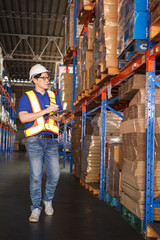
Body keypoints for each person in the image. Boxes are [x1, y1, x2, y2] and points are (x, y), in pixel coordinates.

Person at [18, 64, 64, 223]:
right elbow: (24, 118)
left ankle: (48, 199)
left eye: (47, 77)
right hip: (34, 142)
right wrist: (46, 111)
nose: (47, 80)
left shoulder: (53, 95)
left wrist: (59, 118)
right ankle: (36, 208)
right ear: (34, 80)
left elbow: (59, 116)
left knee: (55, 174)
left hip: (51, 142)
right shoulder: (27, 97)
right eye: (43, 78)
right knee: (36, 176)